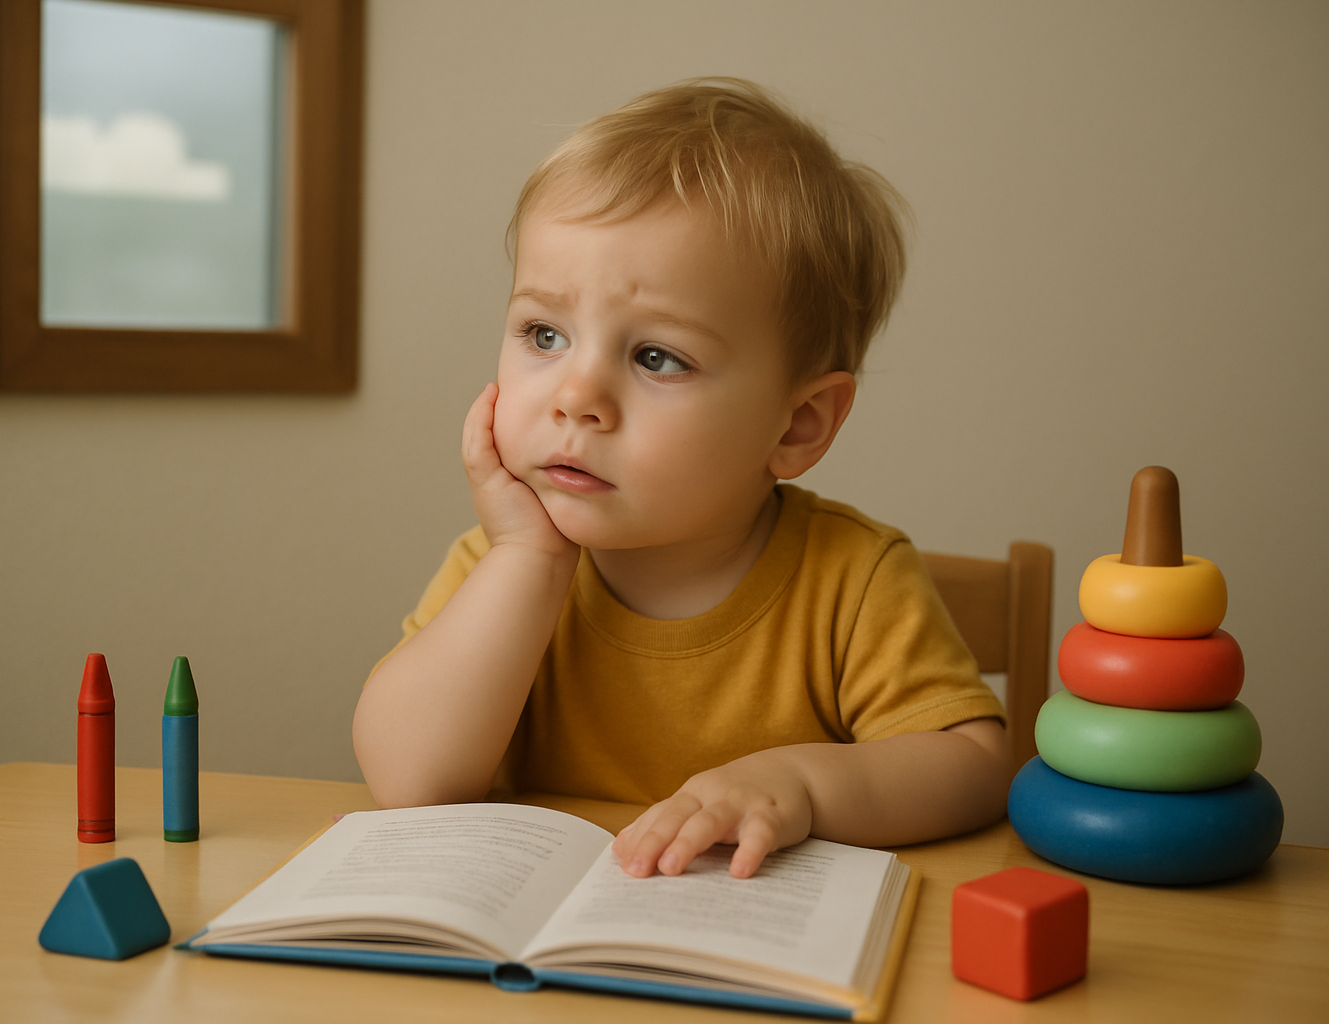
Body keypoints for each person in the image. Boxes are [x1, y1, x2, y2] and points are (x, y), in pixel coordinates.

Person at [354, 78, 1010, 879]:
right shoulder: (501, 565)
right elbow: (409, 781)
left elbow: (975, 765)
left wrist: (797, 781)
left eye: (656, 356)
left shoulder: (853, 580)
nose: (576, 397)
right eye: (544, 332)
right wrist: (526, 562)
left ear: (797, 424)